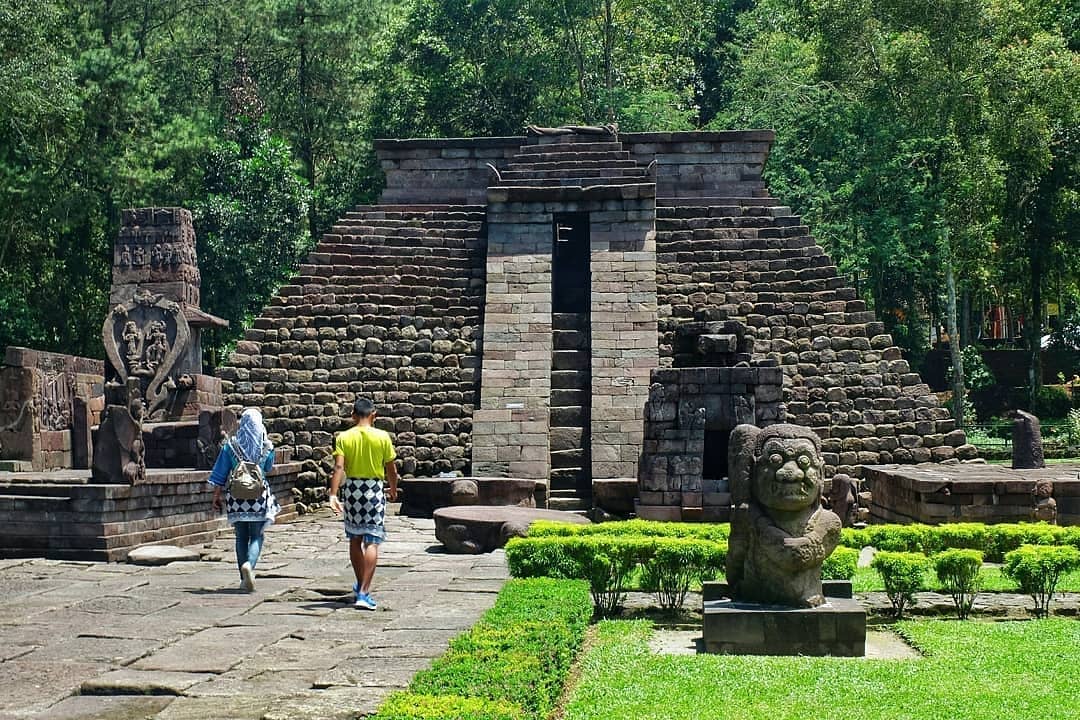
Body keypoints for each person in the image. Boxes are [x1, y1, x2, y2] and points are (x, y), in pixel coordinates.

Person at [329, 397, 398, 610]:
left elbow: (339, 468)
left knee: (355, 538)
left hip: (352, 490)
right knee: (372, 540)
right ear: (374, 415)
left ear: (352, 415)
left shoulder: (344, 437)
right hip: (374, 489)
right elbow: (391, 468)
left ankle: (360, 584)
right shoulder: (382, 437)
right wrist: (393, 488)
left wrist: (333, 493)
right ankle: (364, 592)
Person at [209, 408, 279, 592]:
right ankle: (250, 566)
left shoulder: (231, 446)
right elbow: (269, 468)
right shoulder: (267, 447)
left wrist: (216, 495)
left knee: (241, 537)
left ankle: (242, 578)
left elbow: (220, 474)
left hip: (236, 497)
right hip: (258, 496)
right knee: (257, 536)